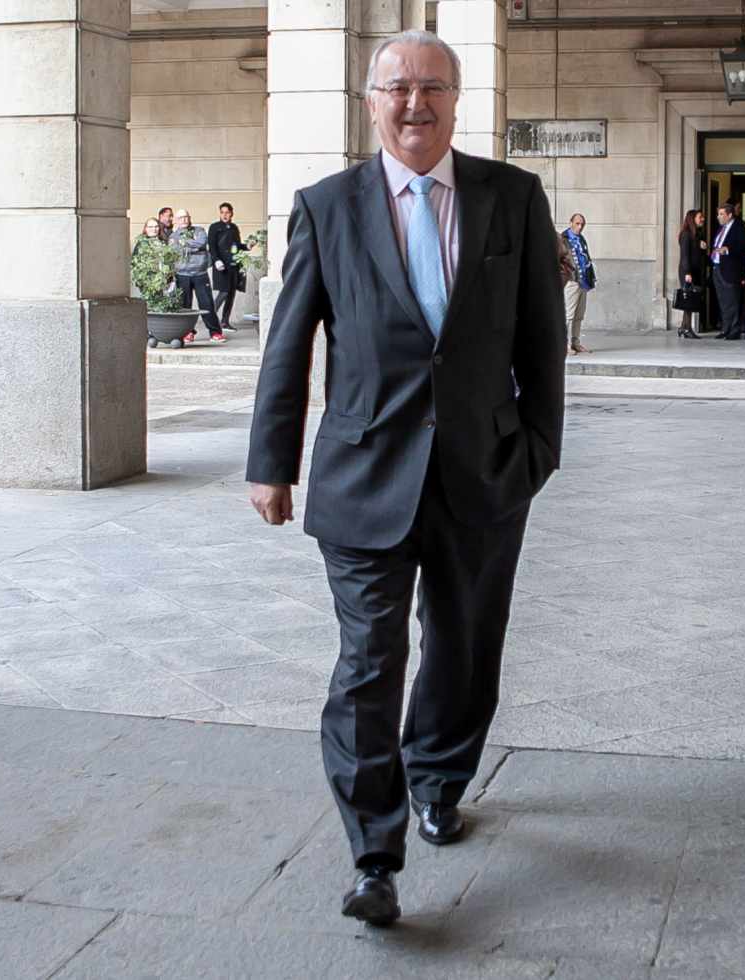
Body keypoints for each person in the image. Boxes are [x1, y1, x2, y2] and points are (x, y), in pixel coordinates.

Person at [245, 29, 565, 929]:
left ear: (457, 100)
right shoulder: (325, 206)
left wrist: (539, 451)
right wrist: (271, 462)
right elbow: (288, 344)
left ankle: (439, 780)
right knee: (367, 664)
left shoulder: (514, 199)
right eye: (397, 88)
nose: (414, 103)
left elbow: (543, 339)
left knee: (464, 651)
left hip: (484, 474)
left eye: (432, 87)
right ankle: (372, 858)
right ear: (370, 100)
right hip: (362, 475)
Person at [168, 209, 225, 343]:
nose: (184, 220)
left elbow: (202, 243)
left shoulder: (199, 230)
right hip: (182, 274)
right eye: (180, 218)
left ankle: (215, 332)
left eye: (186, 217)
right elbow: (176, 249)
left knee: (207, 304)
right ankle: (188, 332)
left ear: (189, 218)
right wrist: (193, 246)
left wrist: (185, 244)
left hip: (200, 273)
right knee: (185, 306)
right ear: (176, 220)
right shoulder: (173, 236)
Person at [709, 203, 745, 340]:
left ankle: (734, 330)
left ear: (729, 215)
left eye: (721, 214)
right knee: (723, 301)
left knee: (733, 301)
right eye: (718, 214)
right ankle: (725, 328)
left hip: (731, 270)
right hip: (718, 268)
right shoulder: (721, 229)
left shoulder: (739, 228)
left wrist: (727, 250)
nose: (718, 217)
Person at [208, 202, 250, 332]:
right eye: (222, 212)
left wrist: (247, 246)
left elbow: (236, 245)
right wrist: (216, 261)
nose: (224, 215)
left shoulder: (234, 227)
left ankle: (225, 322)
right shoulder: (214, 227)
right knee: (224, 292)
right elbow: (212, 246)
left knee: (231, 294)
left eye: (227, 212)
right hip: (221, 265)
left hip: (234, 265)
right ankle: (210, 317)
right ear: (219, 213)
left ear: (232, 213)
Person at [561, 213, 594, 354]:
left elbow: (585, 258)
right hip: (572, 280)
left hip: (583, 281)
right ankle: (564, 345)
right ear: (571, 223)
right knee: (569, 314)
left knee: (579, 315)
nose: (580, 227)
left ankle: (575, 342)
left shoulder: (581, 239)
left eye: (582, 224)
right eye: (577, 224)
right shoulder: (563, 239)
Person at [675, 209, 707, 339]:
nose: (703, 219)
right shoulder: (686, 234)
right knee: (688, 300)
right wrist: (687, 273)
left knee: (689, 300)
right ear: (692, 219)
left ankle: (684, 327)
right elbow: (685, 256)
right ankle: (687, 328)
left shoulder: (696, 235)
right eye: (700, 217)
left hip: (695, 271)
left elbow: (698, 255)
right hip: (688, 272)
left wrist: (702, 248)